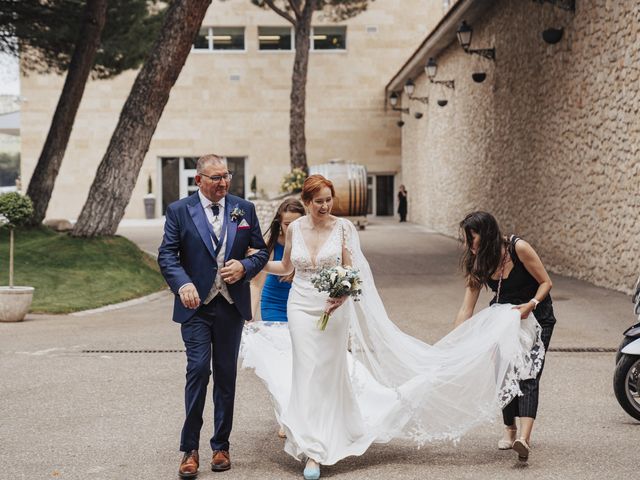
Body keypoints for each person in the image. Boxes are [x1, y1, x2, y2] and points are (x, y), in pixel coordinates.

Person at [242, 175, 545, 480]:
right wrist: (255, 262)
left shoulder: (343, 228)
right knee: (306, 371)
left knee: (328, 372)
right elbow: (286, 268)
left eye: (328, 199)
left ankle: (330, 436)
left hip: (334, 308)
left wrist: (343, 292)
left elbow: (351, 269)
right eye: (318, 201)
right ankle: (311, 450)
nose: (324, 205)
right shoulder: (295, 228)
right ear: (306, 202)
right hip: (300, 307)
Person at [158, 154, 269, 479]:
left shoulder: (243, 209)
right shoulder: (179, 210)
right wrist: (183, 284)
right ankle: (189, 449)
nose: (223, 183)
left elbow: (261, 250)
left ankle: (221, 445)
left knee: (225, 376)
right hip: (196, 306)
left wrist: (245, 267)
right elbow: (167, 253)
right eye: (216, 177)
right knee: (197, 371)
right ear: (199, 181)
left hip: (230, 306)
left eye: (226, 176)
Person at [454, 211, 556, 462]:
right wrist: (455, 342)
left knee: (529, 373)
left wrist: (531, 304)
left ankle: (524, 438)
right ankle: (509, 429)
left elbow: (546, 282)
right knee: (504, 372)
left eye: (472, 238)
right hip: (502, 320)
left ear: (486, 235)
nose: (469, 245)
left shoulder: (518, 248)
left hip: (537, 316)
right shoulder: (479, 261)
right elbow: (467, 308)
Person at [250, 198, 306, 323]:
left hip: (303, 306)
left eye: (297, 223)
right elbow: (256, 284)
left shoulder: (310, 243)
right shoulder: (271, 244)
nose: (292, 228)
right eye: (287, 224)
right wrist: (250, 314)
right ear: (279, 223)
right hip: (274, 305)